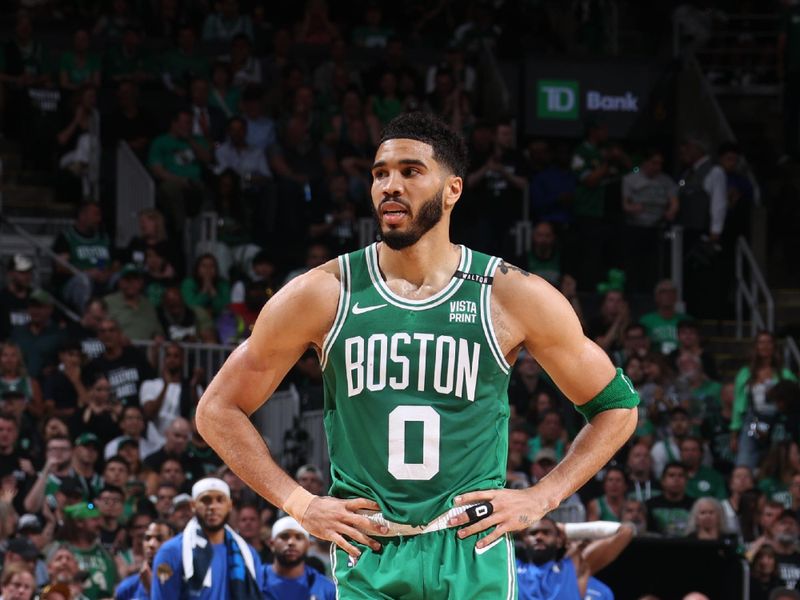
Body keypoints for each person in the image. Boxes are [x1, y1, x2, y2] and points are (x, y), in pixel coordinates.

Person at [196, 111, 639, 597]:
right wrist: (299, 503)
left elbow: (617, 408)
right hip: (372, 553)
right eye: (380, 173)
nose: (390, 185)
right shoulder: (323, 293)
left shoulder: (509, 293)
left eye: (410, 172)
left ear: (452, 190)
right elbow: (217, 409)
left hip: (472, 552)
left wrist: (543, 496)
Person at [150, 478, 262, 599]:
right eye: (206, 500)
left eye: (220, 500)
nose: (213, 506)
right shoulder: (171, 552)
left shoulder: (248, 555)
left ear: (230, 505)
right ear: (193, 505)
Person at [516, 517, 634, 599]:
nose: (539, 537)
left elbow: (625, 532)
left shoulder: (573, 567)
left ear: (559, 540)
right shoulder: (510, 568)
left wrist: (566, 529)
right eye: (533, 533)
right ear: (523, 540)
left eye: (546, 532)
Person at [731, 331, 797, 470]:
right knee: (746, 454)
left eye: (769, 342)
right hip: (754, 420)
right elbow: (738, 405)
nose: (765, 346)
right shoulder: (745, 373)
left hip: (779, 422)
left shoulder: (785, 374)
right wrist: (734, 434)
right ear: (756, 346)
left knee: (777, 460)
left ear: (774, 346)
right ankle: (744, 481)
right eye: (761, 342)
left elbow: (794, 399)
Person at [260, 516, 335, 599]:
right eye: (284, 537)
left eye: (299, 537)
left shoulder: (326, 588)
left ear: (308, 545)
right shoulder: (253, 578)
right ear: (271, 544)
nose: (291, 542)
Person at [114, 519, 175, 599]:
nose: (151, 544)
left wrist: (151, 589)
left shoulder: (185, 582)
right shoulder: (127, 587)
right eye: (147, 538)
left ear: (174, 542)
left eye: (160, 539)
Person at [646, 461, 695, 537]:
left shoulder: (695, 505)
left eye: (681, 476)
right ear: (663, 481)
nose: (676, 479)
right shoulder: (649, 505)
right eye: (671, 475)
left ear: (686, 481)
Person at [0, 254, 34, 340]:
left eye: (29, 272)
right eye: (22, 272)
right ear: (11, 273)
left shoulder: (35, 297)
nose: (27, 276)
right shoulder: (2, 298)